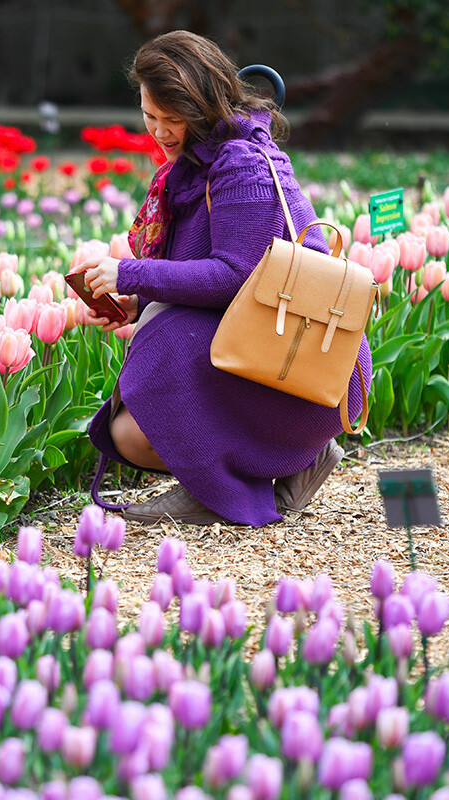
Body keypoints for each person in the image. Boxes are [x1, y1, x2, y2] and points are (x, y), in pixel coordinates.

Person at [70, 30, 372, 527]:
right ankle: (268, 470)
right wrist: (137, 304)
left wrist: (130, 273)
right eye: (150, 116)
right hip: (265, 340)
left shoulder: (242, 166)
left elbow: (237, 278)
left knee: (160, 363)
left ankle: (238, 481)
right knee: (131, 422)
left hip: (304, 358)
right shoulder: (199, 160)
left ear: (202, 106)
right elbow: (209, 271)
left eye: (173, 118)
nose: (160, 131)